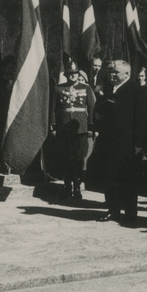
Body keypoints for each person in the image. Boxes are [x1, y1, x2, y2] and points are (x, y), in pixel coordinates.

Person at [95, 60, 147, 226]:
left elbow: (142, 119)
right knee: (110, 177)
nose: (112, 75)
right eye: (110, 72)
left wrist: (139, 144)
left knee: (128, 180)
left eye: (116, 72)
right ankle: (113, 210)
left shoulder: (136, 90)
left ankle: (131, 213)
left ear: (127, 74)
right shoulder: (108, 89)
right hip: (109, 142)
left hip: (128, 144)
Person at [51, 61, 96, 199]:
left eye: (75, 74)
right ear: (66, 75)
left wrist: (91, 125)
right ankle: (67, 185)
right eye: (70, 74)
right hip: (64, 127)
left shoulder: (86, 88)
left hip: (80, 127)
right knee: (65, 157)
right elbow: (53, 108)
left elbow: (91, 108)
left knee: (79, 158)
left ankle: (77, 186)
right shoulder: (58, 88)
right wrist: (53, 125)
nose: (73, 77)